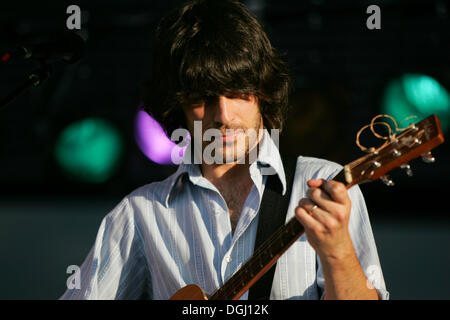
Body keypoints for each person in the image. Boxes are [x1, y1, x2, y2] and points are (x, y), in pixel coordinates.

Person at [60, 0, 388, 300]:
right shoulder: (141, 214)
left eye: (238, 92)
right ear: (178, 110)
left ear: (263, 94)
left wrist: (338, 252)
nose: (224, 116)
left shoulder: (326, 186)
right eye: (202, 98)